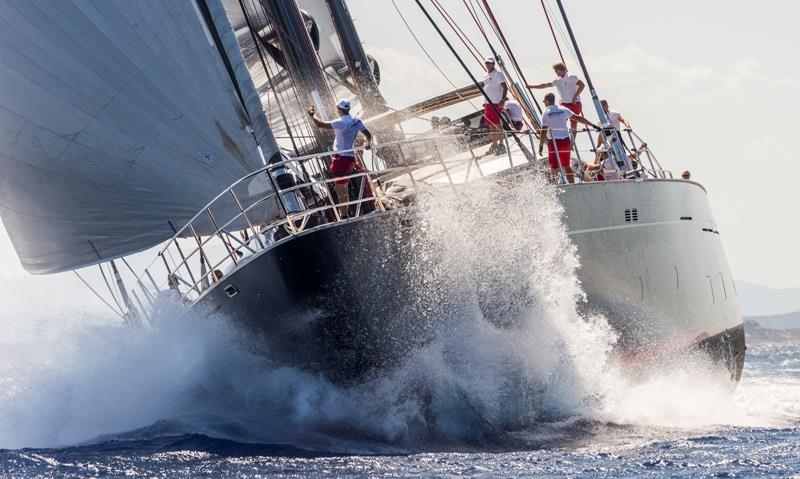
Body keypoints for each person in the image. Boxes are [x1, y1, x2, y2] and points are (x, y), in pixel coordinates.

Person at [308, 98, 372, 218]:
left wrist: (312, 115)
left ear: (339, 109)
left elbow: (320, 124)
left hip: (341, 159)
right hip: (351, 158)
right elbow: (368, 134)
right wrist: (368, 143)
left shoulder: (341, 122)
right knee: (344, 187)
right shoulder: (356, 120)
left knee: (340, 190)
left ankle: (343, 216)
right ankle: (344, 214)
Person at [538, 92, 598, 184]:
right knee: (566, 165)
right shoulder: (563, 109)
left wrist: (541, 145)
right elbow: (578, 118)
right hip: (565, 141)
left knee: (554, 167)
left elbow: (544, 129)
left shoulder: (546, 112)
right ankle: (572, 185)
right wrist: (592, 125)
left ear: (546, 101)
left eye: (544, 101)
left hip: (554, 142)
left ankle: (554, 187)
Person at [528, 61, 585, 138]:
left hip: (575, 104)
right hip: (564, 104)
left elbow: (582, 85)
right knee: (559, 121)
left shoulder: (571, 77)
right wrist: (532, 86)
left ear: (561, 69)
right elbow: (545, 85)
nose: (555, 72)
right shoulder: (557, 80)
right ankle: (558, 138)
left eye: (556, 70)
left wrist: (575, 96)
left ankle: (572, 143)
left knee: (573, 123)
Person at [480, 56, 508, 155]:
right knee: (491, 126)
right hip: (487, 103)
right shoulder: (485, 75)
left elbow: (505, 87)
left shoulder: (498, 74)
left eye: (490, 63)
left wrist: (503, 100)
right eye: (486, 63)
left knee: (497, 125)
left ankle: (501, 145)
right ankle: (494, 145)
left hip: (495, 102)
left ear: (493, 64)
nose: (488, 65)